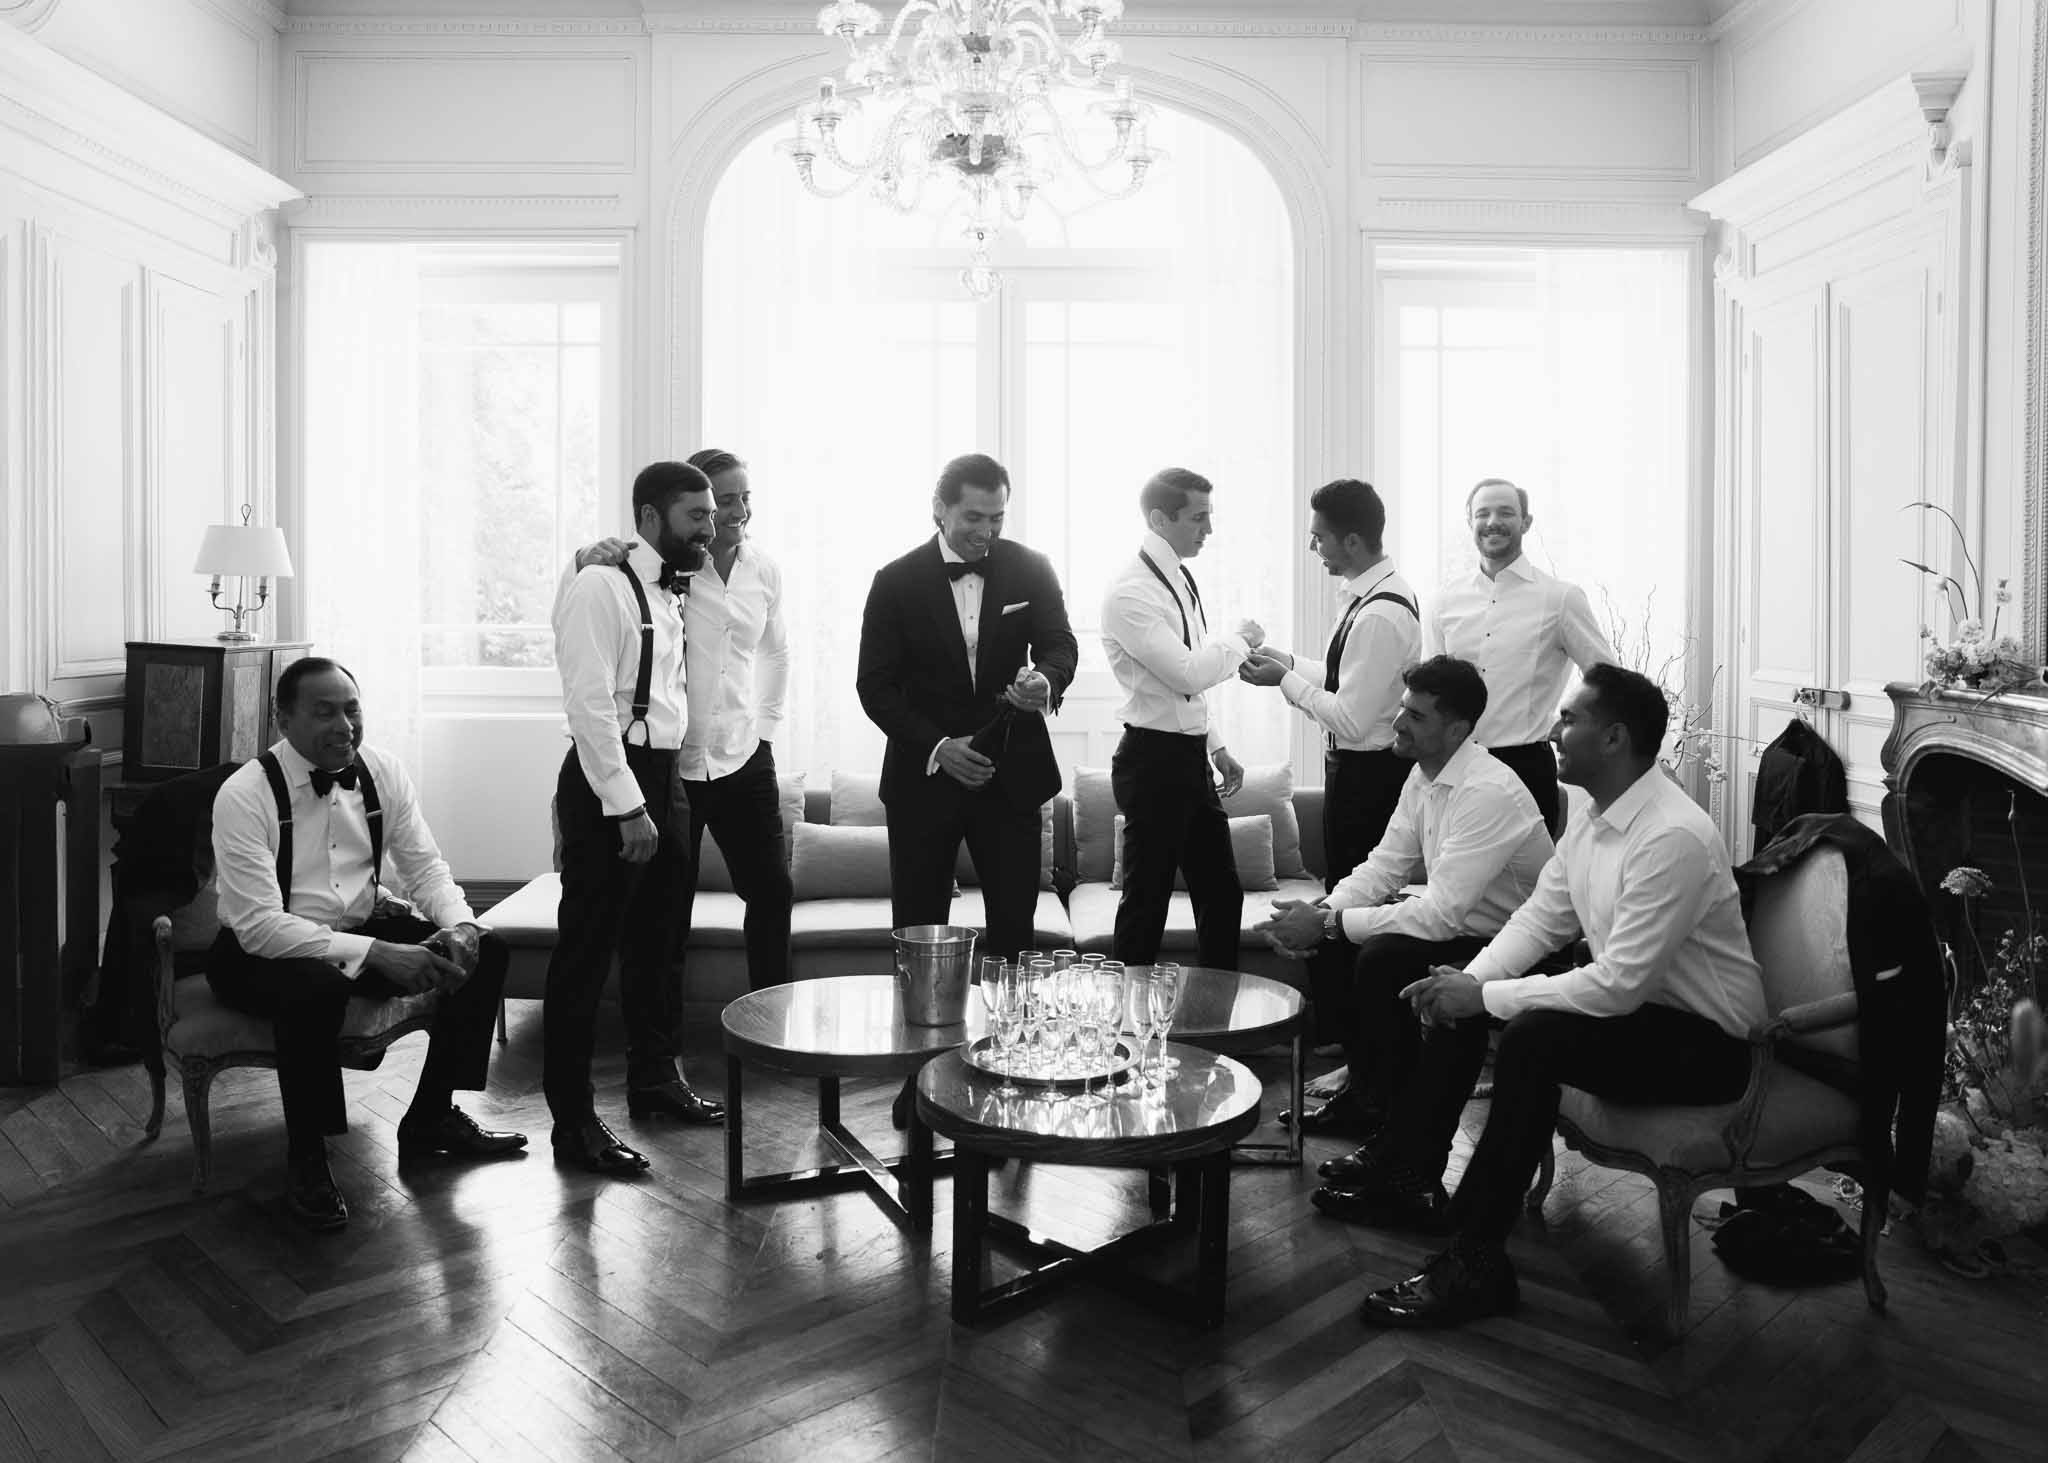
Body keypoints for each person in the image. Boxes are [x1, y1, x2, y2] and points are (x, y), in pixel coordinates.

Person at [1318, 664, 1767, 1330]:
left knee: (1531, 1037)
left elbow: (1617, 983)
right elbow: (1540, 919)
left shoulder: (1671, 834)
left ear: (1614, 738)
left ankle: (1474, 1258)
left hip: (1709, 1044)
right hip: (1647, 1016)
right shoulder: (1595, 818)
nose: (1553, 731)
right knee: (1497, 1013)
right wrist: (1471, 984)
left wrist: (1486, 997)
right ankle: (1430, 1200)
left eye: (1569, 718)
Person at [209, 659, 525, 1231]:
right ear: (283, 719)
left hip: (357, 929)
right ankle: (308, 1157)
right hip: (257, 953)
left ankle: (432, 1116)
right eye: (324, 712)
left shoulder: (382, 771)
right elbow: (259, 926)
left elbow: (424, 868)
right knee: (316, 987)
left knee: (487, 949)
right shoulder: (246, 794)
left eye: (352, 709)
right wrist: (377, 954)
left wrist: (460, 926)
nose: (344, 726)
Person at [1254, 656, 1551, 1137]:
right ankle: (1366, 1096)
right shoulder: (1423, 775)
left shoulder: (1489, 791)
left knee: (1381, 956)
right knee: (1344, 939)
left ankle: (1386, 1112)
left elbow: (1441, 916)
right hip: (1465, 925)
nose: (1397, 723)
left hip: (1516, 943)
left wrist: (1327, 924)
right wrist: (1320, 913)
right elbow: (1384, 866)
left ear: (1456, 731)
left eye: (1415, 716)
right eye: (1402, 708)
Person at [547, 460, 726, 1179]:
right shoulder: (599, 584)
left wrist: (669, 789)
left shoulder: (671, 586)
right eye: (696, 515)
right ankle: (572, 1121)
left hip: (665, 775)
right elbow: (589, 705)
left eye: (711, 514)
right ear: (650, 517)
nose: (711, 527)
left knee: (662, 942)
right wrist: (625, 805)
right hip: (608, 780)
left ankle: (655, 1077)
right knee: (588, 954)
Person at [568, 448, 794, 993]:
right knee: (668, 908)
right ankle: (660, 1033)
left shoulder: (764, 570)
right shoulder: (666, 566)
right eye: (723, 501)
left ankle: (769, 1017)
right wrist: (579, 559)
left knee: (772, 892)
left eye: (743, 499)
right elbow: (600, 602)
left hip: (743, 757)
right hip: (675, 766)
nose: (736, 512)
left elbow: (777, 652)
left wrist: (765, 730)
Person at [855, 452, 1077, 963]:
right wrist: (939, 747)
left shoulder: (1032, 567)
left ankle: (1011, 1018)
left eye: (997, 518)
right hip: (923, 781)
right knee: (919, 935)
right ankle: (921, 1020)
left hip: (1013, 774)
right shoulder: (894, 581)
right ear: (940, 508)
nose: (986, 532)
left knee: (1016, 935)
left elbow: (1060, 645)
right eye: (973, 517)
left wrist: (1045, 680)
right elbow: (875, 686)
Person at [1100, 468, 1264, 969]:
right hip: (1152, 761)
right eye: (1198, 517)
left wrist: (1216, 746)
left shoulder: (1179, 577)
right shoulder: (1131, 593)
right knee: (1146, 902)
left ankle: (1216, 1009)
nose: (1208, 529)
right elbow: (1188, 673)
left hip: (1189, 757)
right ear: (1159, 519)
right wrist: (1242, 639)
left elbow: (1183, 689)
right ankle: (1128, 1015)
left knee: (1222, 893)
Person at [1238, 478, 1420, 886]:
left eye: (1318, 538)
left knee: (1355, 894)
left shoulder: (1378, 614)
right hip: (1355, 774)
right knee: (1345, 888)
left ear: (1352, 541)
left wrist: (1284, 680)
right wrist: (1287, 662)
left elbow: (1351, 720)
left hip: (1369, 780)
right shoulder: (1368, 596)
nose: (1311, 547)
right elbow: (1344, 681)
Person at [1425, 478, 1615, 835]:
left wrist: (1568, 723)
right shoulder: (1443, 601)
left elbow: (1608, 679)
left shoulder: (1560, 598)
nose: (1493, 522)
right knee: (1449, 868)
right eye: (1483, 513)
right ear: (1470, 522)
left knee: (1530, 872)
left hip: (1525, 767)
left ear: (1526, 522)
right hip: (1455, 766)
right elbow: (1427, 692)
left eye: (1506, 513)